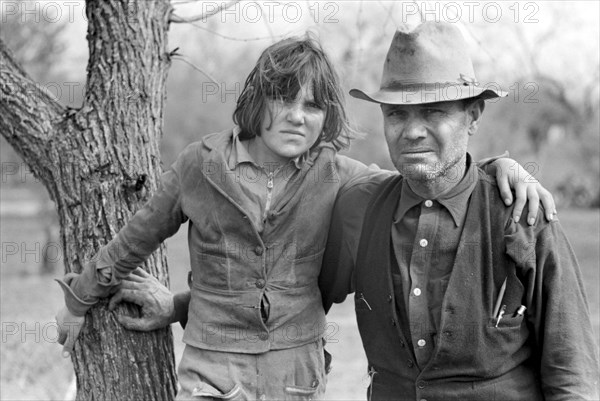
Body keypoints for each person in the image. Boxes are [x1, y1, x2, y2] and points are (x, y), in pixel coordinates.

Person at [55, 34, 555, 400]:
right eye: (284, 98)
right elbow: (133, 242)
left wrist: (496, 169)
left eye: (313, 106)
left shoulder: (339, 175)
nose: (297, 115)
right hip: (211, 369)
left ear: (327, 117)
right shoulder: (199, 168)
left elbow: (426, 177)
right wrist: (79, 301)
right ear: (257, 100)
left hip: (297, 375)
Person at [318, 22, 599, 400]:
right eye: (397, 115)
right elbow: (298, 299)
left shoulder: (522, 215)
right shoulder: (359, 207)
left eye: (433, 112)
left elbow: (571, 374)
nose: (412, 131)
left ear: (474, 115)